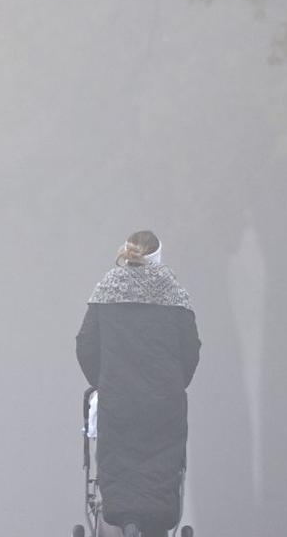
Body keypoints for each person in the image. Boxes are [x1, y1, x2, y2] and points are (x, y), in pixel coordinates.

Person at [76, 230, 202, 537]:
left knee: (120, 461)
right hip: (164, 404)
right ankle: (155, 525)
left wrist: (104, 381)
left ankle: (127, 519)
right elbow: (191, 350)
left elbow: (86, 345)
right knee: (162, 465)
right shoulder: (175, 295)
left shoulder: (107, 290)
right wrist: (173, 384)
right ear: (158, 256)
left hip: (118, 401)